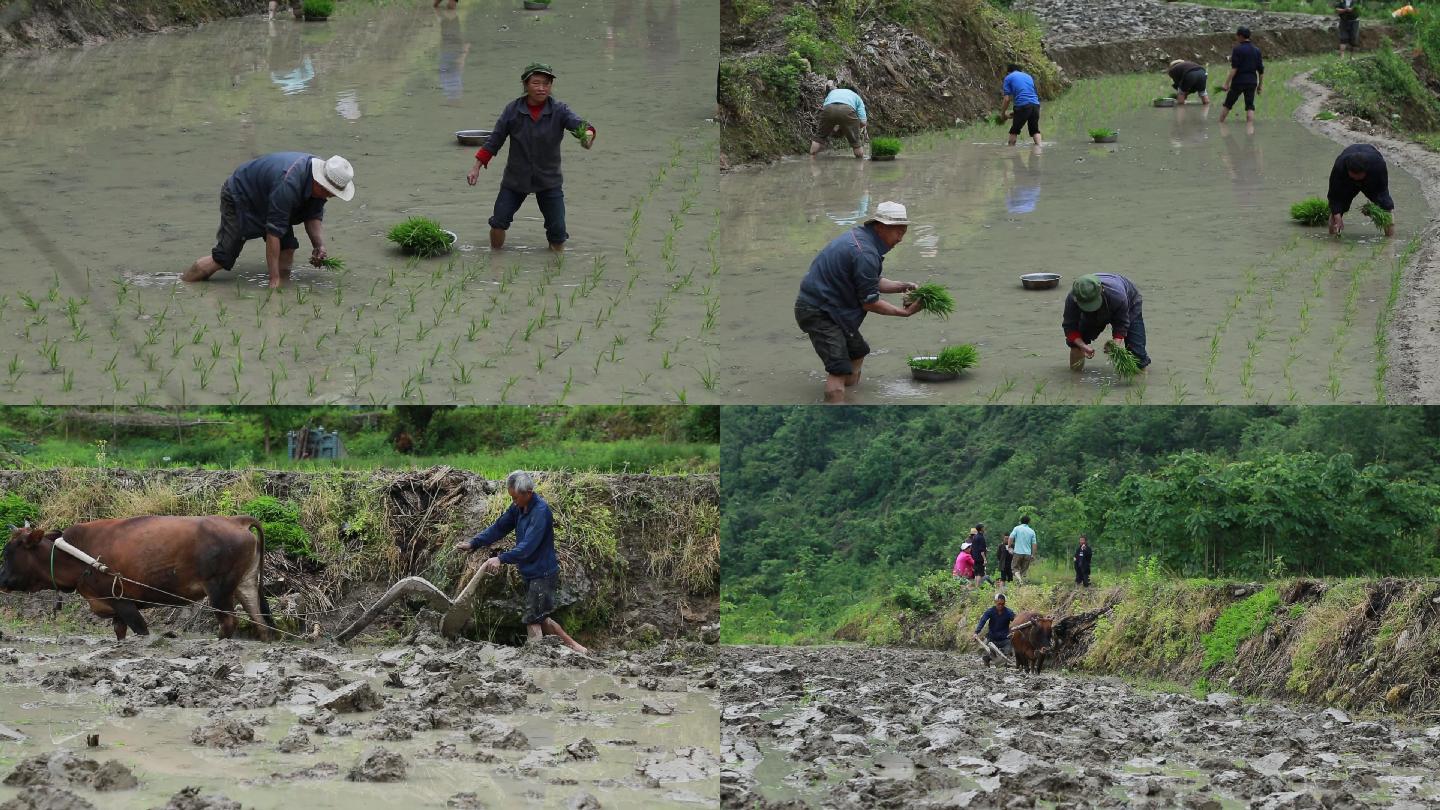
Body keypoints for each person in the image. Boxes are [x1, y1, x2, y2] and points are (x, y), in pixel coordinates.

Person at [793, 201, 923, 404]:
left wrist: (903, 286)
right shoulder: (865, 253)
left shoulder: (861, 239)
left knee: (858, 351)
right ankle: (837, 402)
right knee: (839, 368)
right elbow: (869, 303)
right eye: (898, 232)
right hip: (818, 311)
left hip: (832, 308)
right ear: (881, 227)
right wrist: (903, 313)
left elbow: (870, 282)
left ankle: (850, 396)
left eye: (903, 233)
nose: (900, 239)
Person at [452, 471, 587, 654]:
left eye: (515, 497)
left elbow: (527, 547)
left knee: (532, 620)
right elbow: (499, 527)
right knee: (540, 618)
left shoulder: (541, 512)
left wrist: (501, 558)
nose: (513, 501)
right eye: (512, 498)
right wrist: (473, 543)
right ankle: (578, 649)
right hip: (530, 573)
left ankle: (535, 657)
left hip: (543, 574)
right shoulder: (518, 508)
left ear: (528, 493)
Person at [467, 63, 596, 252]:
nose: (541, 88)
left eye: (546, 83)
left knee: (558, 232)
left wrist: (588, 137)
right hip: (516, 178)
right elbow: (495, 140)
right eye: (536, 83)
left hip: (548, 179)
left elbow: (584, 128)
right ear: (525, 84)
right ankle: (495, 258)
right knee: (498, 222)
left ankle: (556, 270)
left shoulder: (559, 110)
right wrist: (476, 167)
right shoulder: (513, 110)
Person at [183, 152, 356, 288]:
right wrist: (273, 282)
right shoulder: (289, 184)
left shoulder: (322, 176)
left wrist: (319, 246)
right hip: (241, 195)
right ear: (320, 184)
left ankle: (284, 284)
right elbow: (273, 233)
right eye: (331, 192)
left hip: (268, 196)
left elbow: (313, 215)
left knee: (287, 248)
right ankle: (183, 283)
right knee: (223, 257)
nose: (332, 196)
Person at [1063, 273, 1149, 373]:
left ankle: (1140, 381)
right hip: (1090, 312)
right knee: (1076, 345)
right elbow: (1070, 327)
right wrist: (1083, 346)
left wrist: (1114, 346)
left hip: (1130, 303)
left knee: (1137, 355)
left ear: (1102, 290)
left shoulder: (1118, 296)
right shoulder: (1073, 298)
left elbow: (1121, 325)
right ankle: (1074, 381)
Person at [1327, 144, 1395, 237]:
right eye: (1353, 175)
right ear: (1348, 170)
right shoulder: (1340, 167)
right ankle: (1333, 243)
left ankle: (1390, 241)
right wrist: (1337, 216)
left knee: (1386, 206)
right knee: (1336, 211)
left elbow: (1382, 190)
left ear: (1365, 171)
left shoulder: (1378, 165)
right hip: (1347, 182)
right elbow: (1334, 195)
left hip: (1371, 179)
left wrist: (1375, 207)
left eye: (1358, 176)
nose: (1356, 178)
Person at [810, 81, 868, 159]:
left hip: (828, 108)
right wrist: (851, 130)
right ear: (856, 93)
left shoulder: (833, 92)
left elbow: (827, 110)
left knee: (819, 137)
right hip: (847, 109)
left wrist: (835, 127)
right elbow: (863, 122)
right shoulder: (857, 97)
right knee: (855, 142)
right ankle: (860, 164)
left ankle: (811, 160)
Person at [1218, 27, 1263, 124]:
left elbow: (1234, 68)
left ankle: (1220, 123)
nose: (1236, 38)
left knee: (1228, 104)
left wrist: (1226, 84)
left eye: (1237, 36)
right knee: (1250, 105)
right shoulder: (1257, 51)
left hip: (1239, 82)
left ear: (1241, 36)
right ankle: (1250, 128)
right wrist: (1260, 86)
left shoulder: (1237, 49)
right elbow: (1261, 71)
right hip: (1252, 82)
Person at [999, 63, 1042, 147]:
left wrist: (1003, 114)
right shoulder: (1028, 76)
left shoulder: (1008, 77)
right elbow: (1029, 96)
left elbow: (1007, 99)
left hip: (1023, 105)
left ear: (1008, 72)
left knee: (1014, 130)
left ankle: (1011, 150)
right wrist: (1016, 113)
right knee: (1035, 131)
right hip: (1035, 105)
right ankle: (1039, 150)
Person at [974, 592, 1016, 666]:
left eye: (1002, 604)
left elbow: (1016, 621)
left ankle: (1004, 662)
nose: (1000, 606)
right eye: (998, 604)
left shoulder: (1009, 612)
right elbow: (983, 621)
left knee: (1008, 650)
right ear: (995, 602)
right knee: (986, 654)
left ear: (1004, 603)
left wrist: (1014, 632)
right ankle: (987, 661)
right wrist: (976, 632)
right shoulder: (990, 611)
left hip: (1004, 639)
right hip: (992, 639)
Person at [1009, 516, 1037, 585]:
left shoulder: (1017, 528)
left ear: (1020, 521)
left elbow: (1011, 537)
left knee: (1014, 568)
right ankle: (1021, 585)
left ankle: (1019, 580)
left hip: (1018, 552)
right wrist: (1033, 554)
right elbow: (1034, 544)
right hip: (1027, 554)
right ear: (1028, 522)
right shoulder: (1031, 531)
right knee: (1023, 571)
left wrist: (1009, 546)